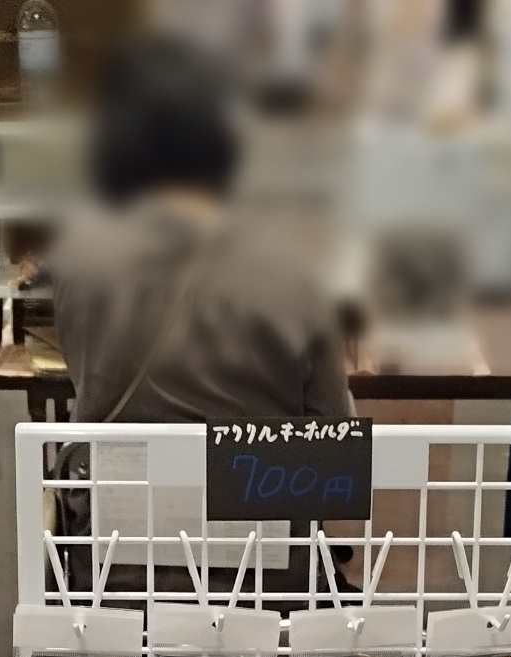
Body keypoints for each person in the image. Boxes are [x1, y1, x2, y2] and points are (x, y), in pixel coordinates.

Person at [52, 36, 351, 427]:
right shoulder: (294, 269)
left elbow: (84, 377)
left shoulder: (77, 257)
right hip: (256, 468)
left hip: (113, 467)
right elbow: (332, 429)